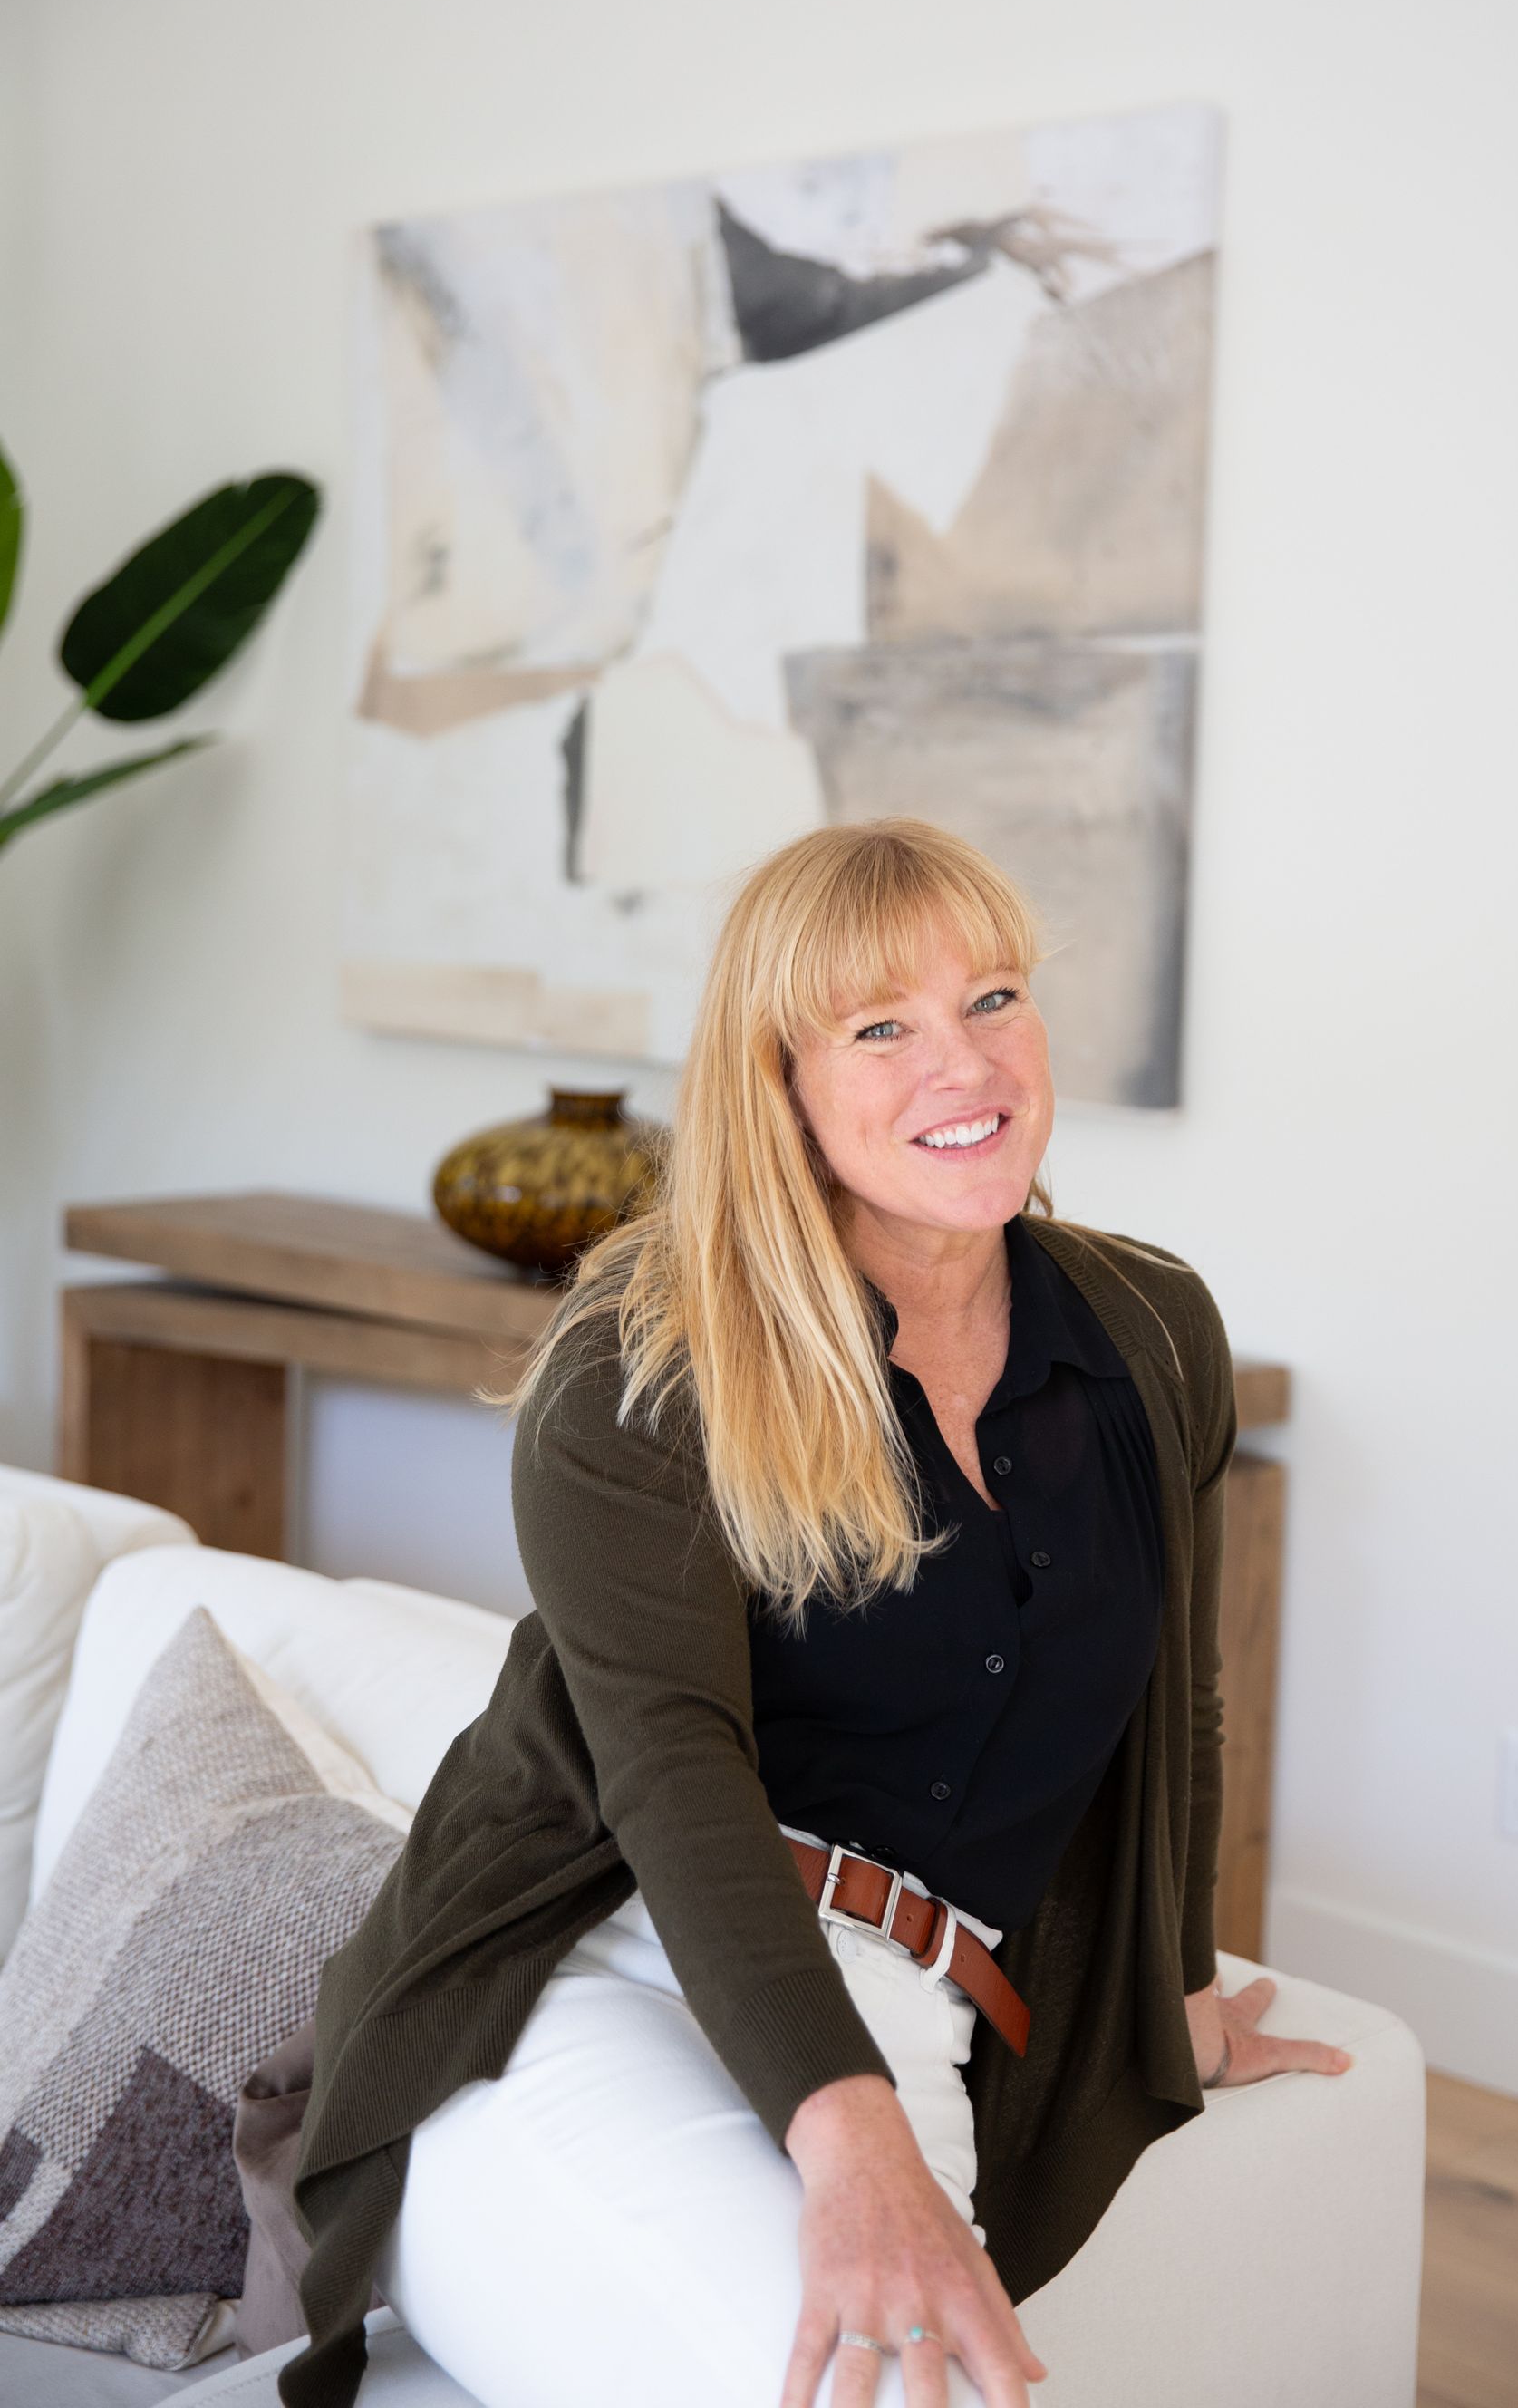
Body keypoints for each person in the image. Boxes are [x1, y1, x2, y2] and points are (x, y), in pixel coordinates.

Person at [283, 818, 1349, 2408]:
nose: (964, 1063)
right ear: (776, 1083)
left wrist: (1170, 1992)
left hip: (918, 1985)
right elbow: (673, 1778)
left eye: (992, 997)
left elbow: (1173, 1705)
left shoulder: (1152, 1332)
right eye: (879, 1028)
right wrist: (848, 2139)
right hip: (597, 1960)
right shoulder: (639, 1368)